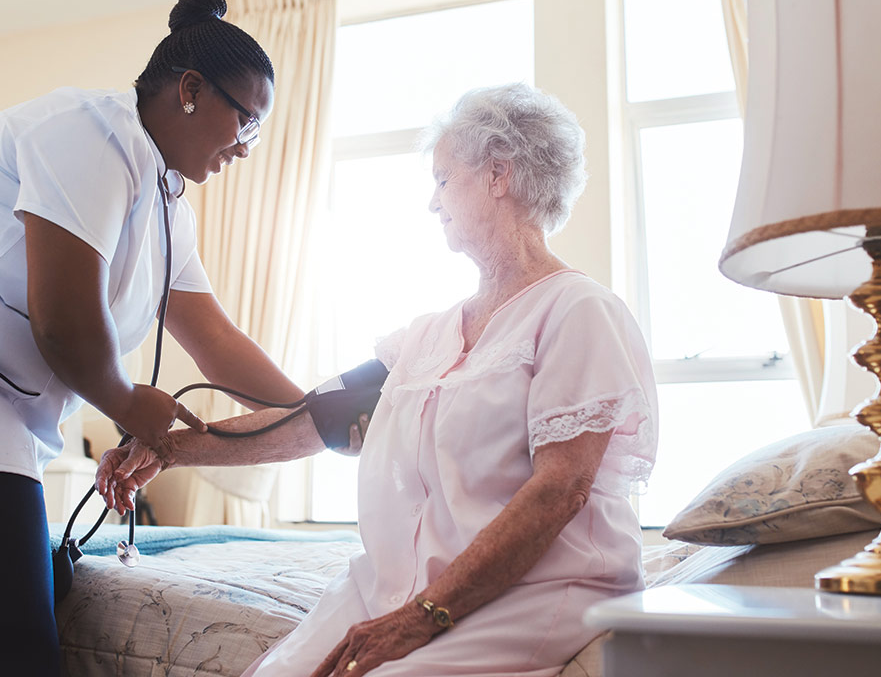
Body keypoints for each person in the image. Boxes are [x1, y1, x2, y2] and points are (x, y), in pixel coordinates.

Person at [0, 0, 312, 677]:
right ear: (191, 89)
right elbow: (64, 326)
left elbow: (217, 342)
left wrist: (315, 411)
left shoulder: (168, 206)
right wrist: (134, 408)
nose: (248, 147)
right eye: (247, 121)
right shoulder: (85, 133)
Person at [98, 83, 660, 677]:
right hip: (401, 585)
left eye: (443, 179)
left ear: (498, 174)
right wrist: (167, 449)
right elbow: (313, 421)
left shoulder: (577, 309)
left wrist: (423, 615)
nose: (433, 203)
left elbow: (561, 490)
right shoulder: (426, 337)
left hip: (536, 588)